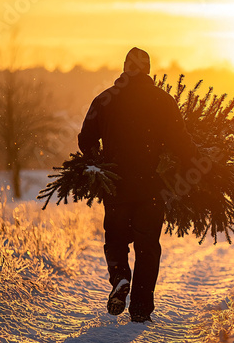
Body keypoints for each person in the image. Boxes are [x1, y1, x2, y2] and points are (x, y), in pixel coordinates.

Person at [78, 47, 197, 322]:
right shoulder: (163, 101)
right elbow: (180, 142)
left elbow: (86, 139)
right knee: (147, 247)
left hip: (116, 187)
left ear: (124, 68)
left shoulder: (105, 99)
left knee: (116, 239)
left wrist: (99, 165)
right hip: (150, 188)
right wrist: (196, 164)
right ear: (148, 70)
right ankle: (141, 309)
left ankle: (120, 277)